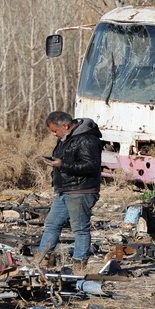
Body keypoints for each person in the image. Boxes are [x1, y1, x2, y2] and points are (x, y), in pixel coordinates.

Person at [38, 110, 102, 269]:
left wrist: (62, 165)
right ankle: (41, 260)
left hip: (81, 191)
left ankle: (79, 266)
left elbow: (92, 166)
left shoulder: (87, 139)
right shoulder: (66, 138)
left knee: (80, 229)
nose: (54, 134)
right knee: (52, 223)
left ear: (65, 125)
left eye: (55, 130)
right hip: (65, 190)